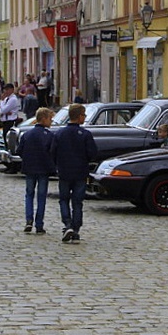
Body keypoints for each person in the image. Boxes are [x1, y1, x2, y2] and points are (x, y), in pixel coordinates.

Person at [53, 104, 97, 244]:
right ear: (79, 117)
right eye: (84, 115)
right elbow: (92, 153)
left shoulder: (60, 133)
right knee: (77, 202)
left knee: (64, 200)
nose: (84, 117)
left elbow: (52, 151)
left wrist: (58, 164)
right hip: (80, 172)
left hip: (64, 171)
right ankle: (76, 229)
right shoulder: (85, 134)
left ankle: (67, 224)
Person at [17, 107, 57, 234]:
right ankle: (39, 224)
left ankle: (29, 220)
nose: (51, 122)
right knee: (41, 196)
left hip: (29, 168)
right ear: (44, 119)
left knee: (29, 194)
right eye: (50, 119)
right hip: (44, 169)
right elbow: (53, 152)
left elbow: (19, 151)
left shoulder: (27, 134)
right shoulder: (49, 136)